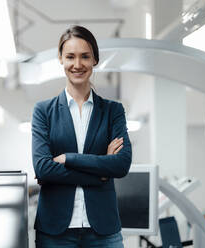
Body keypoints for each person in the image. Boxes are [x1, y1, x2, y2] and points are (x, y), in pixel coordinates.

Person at [31, 25, 132, 248]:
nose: (77, 65)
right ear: (60, 59)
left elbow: (121, 164)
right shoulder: (43, 111)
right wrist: (100, 172)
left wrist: (69, 158)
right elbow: (42, 168)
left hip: (103, 230)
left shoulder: (112, 111)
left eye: (85, 56)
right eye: (70, 57)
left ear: (95, 59)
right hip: (55, 231)